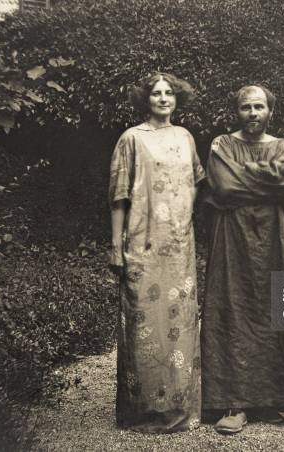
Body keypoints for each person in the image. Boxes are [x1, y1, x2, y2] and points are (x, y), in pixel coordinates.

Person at [201, 85, 284, 434]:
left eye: (259, 106)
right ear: (237, 112)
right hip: (232, 235)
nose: (253, 113)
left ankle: (271, 399)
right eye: (246, 107)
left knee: (272, 306)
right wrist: (269, 179)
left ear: (270, 111)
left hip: (275, 237)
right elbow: (225, 187)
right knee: (234, 305)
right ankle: (235, 402)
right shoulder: (222, 144)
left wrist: (246, 174)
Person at [108, 73, 205, 433]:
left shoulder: (185, 137)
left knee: (179, 325)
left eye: (169, 93)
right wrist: (116, 246)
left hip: (179, 247)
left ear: (177, 99)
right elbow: (118, 196)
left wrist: (181, 217)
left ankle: (180, 408)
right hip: (142, 244)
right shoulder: (131, 139)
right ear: (145, 99)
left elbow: (195, 182)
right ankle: (144, 411)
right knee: (143, 322)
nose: (163, 98)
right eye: (156, 93)